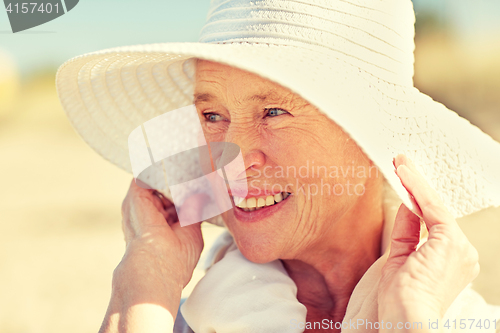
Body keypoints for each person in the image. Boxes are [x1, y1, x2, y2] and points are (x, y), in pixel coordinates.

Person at [55, 0, 500, 332]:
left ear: (372, 138)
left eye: (273, 112)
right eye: (212, 116)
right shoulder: (167, 314)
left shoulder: (466, 321)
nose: (234, 158)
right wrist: (144, 278)